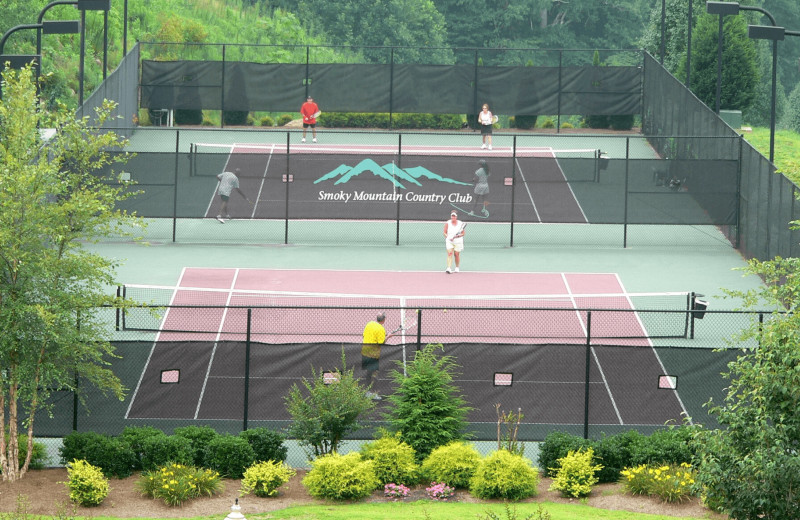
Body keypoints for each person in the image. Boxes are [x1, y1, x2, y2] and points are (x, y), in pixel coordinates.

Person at [362, 313, 391, 400]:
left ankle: (367, 391)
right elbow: (381, 342)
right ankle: (372, 393)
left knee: (368, 373)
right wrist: (388, 337)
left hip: (365, 351)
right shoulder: (381, 329)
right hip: (373, 354)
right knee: (374, 374)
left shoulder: (369, 324)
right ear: (383, 320)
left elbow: (364, 335)